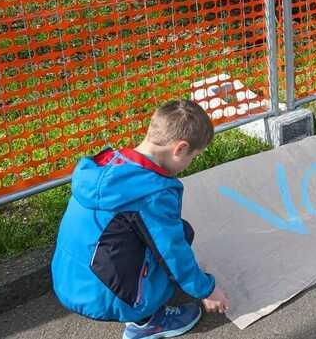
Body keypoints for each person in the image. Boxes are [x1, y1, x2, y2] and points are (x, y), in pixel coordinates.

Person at [51, 100, 230, 339]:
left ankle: (139, 299)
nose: (190, 163)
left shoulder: (108, 165)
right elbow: (171, 251)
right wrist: (206, 289)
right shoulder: (152, 193)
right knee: (176, 240)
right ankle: (146, 322)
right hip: (104, 297)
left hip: (70, 281)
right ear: (179, 148)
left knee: (179, 230)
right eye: (193, 156)